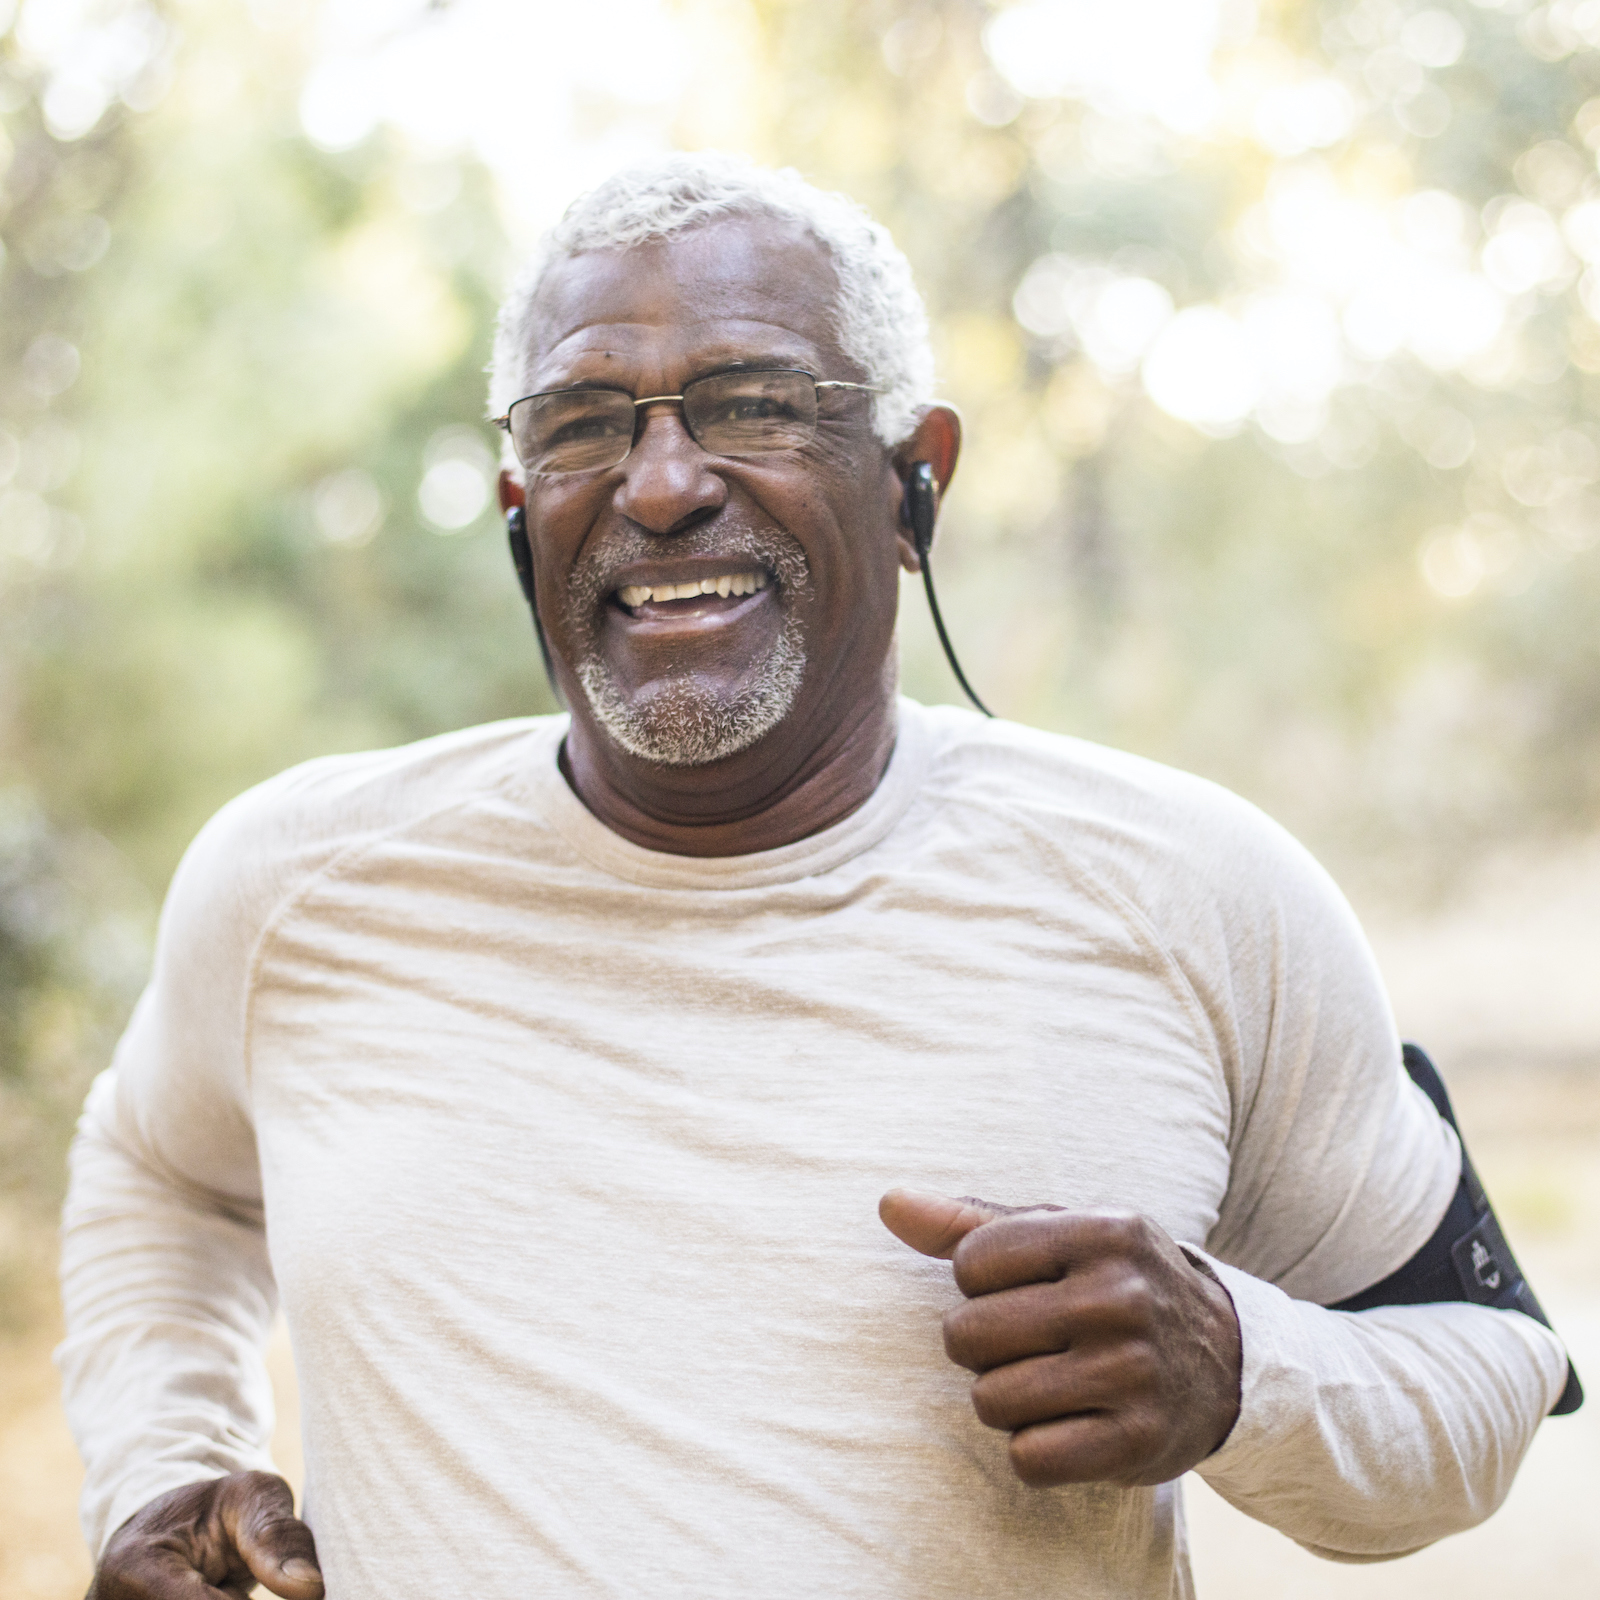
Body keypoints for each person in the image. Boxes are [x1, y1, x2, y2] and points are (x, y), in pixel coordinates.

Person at [60, 154, 1568, 1600]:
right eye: (582, 424)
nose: (659, 484)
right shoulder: (298, 887)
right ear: (523, 513)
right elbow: (160, 1172)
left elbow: (1486, 1374)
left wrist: (1247, 1370)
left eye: (755, 404)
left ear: (915, 480)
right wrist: (163, 1462)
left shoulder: (1189, 891)